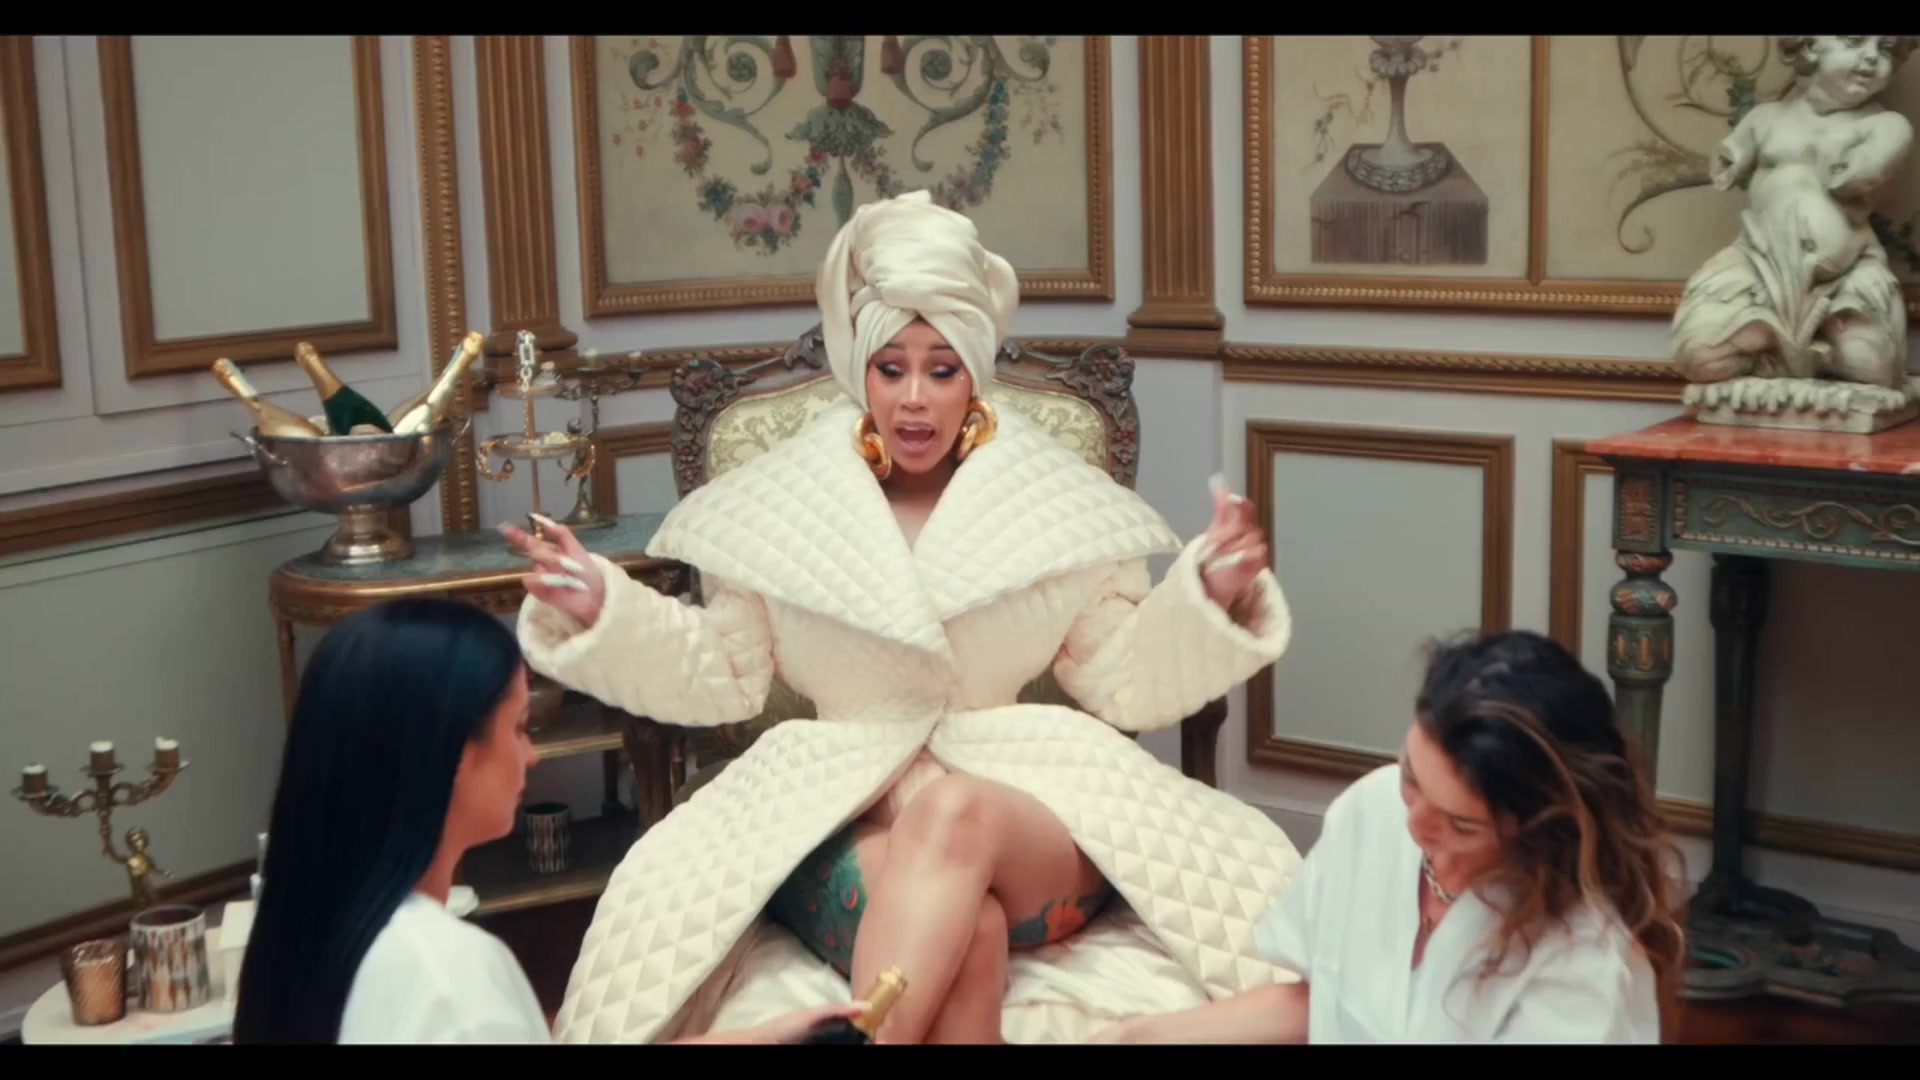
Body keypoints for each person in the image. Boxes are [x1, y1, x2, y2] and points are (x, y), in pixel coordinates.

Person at [508, 189, 1305, 1045]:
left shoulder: (1065, 505)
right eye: (891, 369)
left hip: (1023, 799)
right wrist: (606, 609)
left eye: (942, 369)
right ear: (861, 370)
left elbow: (1123, 677)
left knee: (954, 810)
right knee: (973, 931)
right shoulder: (774, 505)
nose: (915, 400)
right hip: (837, 803)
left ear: (975, 373)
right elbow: (723, 673)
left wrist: (1210, 593)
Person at [232, 598, 868, 1044]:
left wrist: (757, 1039)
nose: (531, 755)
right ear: (451, 758)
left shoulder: (310, 931)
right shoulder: (452, 979)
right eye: (517, 728)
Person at [1092, 629, 1686, 1044]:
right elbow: (1318, 1002)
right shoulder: (1370, 810)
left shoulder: (1582, 963)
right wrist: (1133, 1037)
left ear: (1536, 829)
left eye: (1460, 823)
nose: (1413, 824)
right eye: (1411, 777)